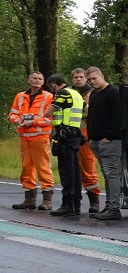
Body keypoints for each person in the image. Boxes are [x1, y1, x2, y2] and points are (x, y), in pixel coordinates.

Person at [7, 72, 55, 210]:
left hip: (40, 137)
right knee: (26, 168)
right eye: (34, 78)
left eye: (40, 79)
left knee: (43, 167)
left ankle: (47, 200)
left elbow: (50, 119)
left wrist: (33, 122)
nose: (37, 81)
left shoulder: (48, 96)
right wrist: (17, 120)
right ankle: (29, 199)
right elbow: (13, 113)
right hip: (24, 137)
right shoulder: (20, 96)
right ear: (29, 80)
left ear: (43, 82)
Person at [44, 74, 85, 216]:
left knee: (66, 171)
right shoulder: (76, 94)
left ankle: (67, 204)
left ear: (53, 85)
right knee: (75, 171)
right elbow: (86, 110)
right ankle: (76, 204)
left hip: (65, 135)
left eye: (51, 88)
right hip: (75, 135)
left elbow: (48, 112)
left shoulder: (62, 93)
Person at [85, 67, 122, 221]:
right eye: (89, 80)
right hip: (96, 141)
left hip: (110, 141)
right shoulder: (94, 94)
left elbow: (118, 117)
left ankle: (114, 208)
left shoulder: (113, 93)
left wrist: (108, 137)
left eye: (94, 78)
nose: (92, 82)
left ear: (102, 76)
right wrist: (91, 138)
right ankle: (108, 206)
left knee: (112, 174)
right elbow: (91, 116)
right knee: (107, 174)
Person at [71, 67, 102, 213]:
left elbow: (95, 114)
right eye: (75, 77)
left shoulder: (92, 94)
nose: (78, 79)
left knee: (88, 169)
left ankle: (94, 202)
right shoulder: (69, 94)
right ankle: (73, 202)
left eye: (81, 77)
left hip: (86, 136)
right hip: (71, 136)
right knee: (71, 170)